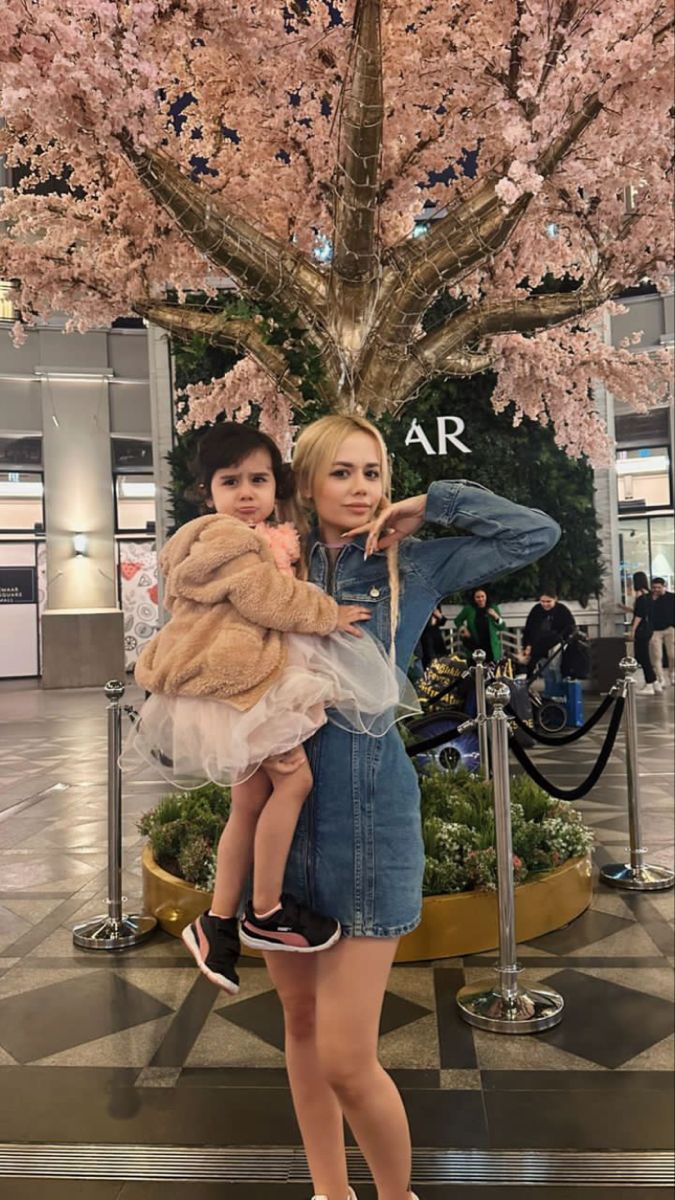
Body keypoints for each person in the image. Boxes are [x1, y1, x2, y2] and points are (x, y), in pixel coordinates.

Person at [256, 413, 559, 1200]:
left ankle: (397, 1196)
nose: (361, 490)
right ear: (306, 482)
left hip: (368, 814)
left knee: (348, 1058)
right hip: (275, 815)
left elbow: (535, 533)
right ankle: (330, 1191)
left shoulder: (411, 563)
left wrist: (431, 501)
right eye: (342, 473)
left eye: (373, 473)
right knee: (298, 1029)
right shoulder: (269, 562)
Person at [129, 422, 418, 995]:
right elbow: (268, 599)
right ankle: (263, 909)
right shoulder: (232, 541)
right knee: (294, 783)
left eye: (258, 479)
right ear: (205, 491)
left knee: (249, 801)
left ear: (276, 486)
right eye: (230, 480)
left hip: (230, 686)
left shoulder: (224, 539)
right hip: (244, 685)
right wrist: (327, 613)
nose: (245, 493)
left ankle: (217, 920)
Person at [521, 588, 576, 691]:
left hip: (557, 644)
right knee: (545, 670)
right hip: (540, 646)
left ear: (555, 599)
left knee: (555, 668)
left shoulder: (562, 610)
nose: (545, 604)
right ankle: (551, 692)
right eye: (542, 601)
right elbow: (529, 629)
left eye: (548, 601)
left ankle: (560, 692)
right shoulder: (536, 610)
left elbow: (570, 626)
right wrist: (528, 645)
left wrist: (561, 639)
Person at [454, 586, 505, 663]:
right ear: (474, 598)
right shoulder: (469, 609)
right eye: (477, 597)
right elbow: (458, 620)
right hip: (474, 645)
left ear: (486, 597)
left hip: (490, 646)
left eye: (482, 596)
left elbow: (502, 627)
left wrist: (495, 616)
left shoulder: (493, 607)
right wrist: (463, 629)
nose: (480, 599)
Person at [630, 570, 659, 694]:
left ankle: (649, 684)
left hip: (641, 630)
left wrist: (633, 630)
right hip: (649, 629)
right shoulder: (650, 596)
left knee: (643, 656)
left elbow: (638, 615)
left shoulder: (640, 597)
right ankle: (654, 682)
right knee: (645, 656)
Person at [650, 577, 675, 687]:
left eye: (658, 587)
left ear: (664, 586)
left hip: (670, 629)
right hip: (655, 631)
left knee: (672, 655)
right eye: (654, 587)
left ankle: (671, 674)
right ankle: (661, 678)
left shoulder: (672, 597)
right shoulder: (650, 599)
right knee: (657, 656)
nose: (656, 590)